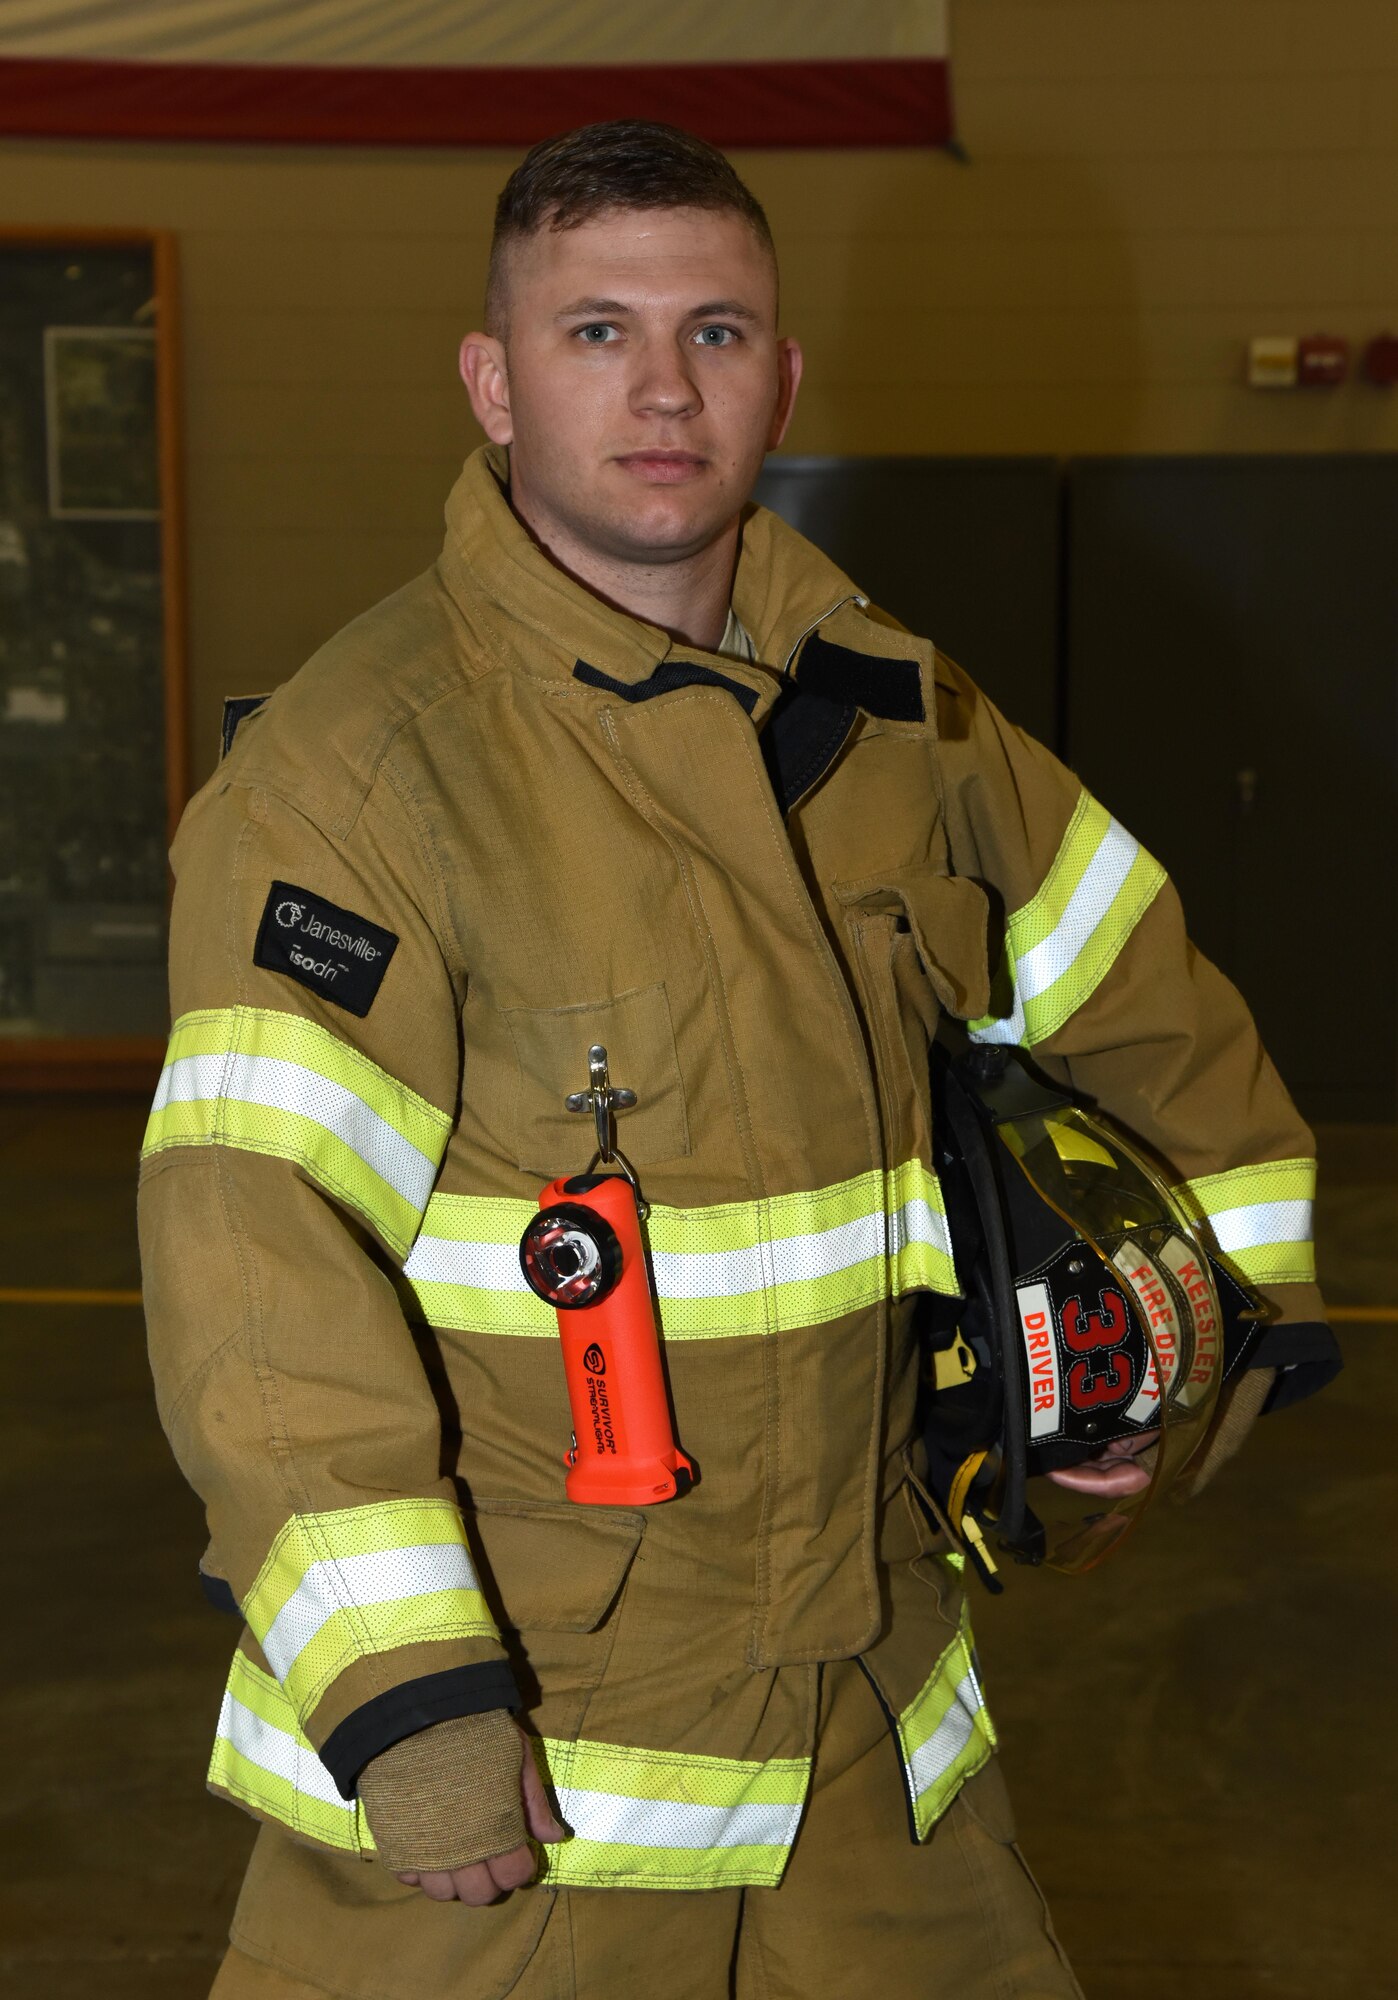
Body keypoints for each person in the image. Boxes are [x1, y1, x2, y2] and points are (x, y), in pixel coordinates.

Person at [140, 121, 1333, 2000]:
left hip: (872, 1745)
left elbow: (1157, 1024)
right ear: (493, 379)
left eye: (715, 331)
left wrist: (1180, 1374)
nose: (662, 387)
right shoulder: (356, 778)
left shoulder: (907, 721)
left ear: (782, 374)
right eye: (595, 330)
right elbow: (254, 1271)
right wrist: (412, 1708)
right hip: (526, 1775)